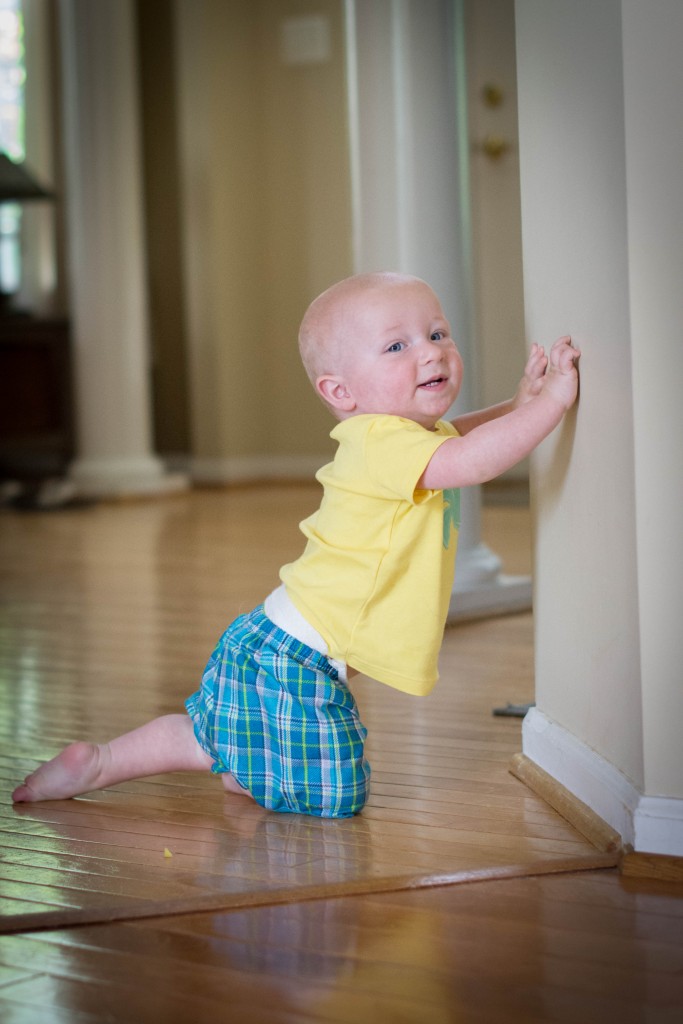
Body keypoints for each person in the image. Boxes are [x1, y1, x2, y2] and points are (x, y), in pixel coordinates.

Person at [11, 272, 580, 818]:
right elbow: (474, 460)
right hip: (294, 660)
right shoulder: (382, 443)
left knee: (207, 734)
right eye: (396, 346)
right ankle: (230, 766)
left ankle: (108, 761)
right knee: (336, 795)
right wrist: (550, 404)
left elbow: (463, 436)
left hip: (284, 646)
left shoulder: (405, 437)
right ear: (340, 390)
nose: (430, 353)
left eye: (436, 334)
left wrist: (518, 404)